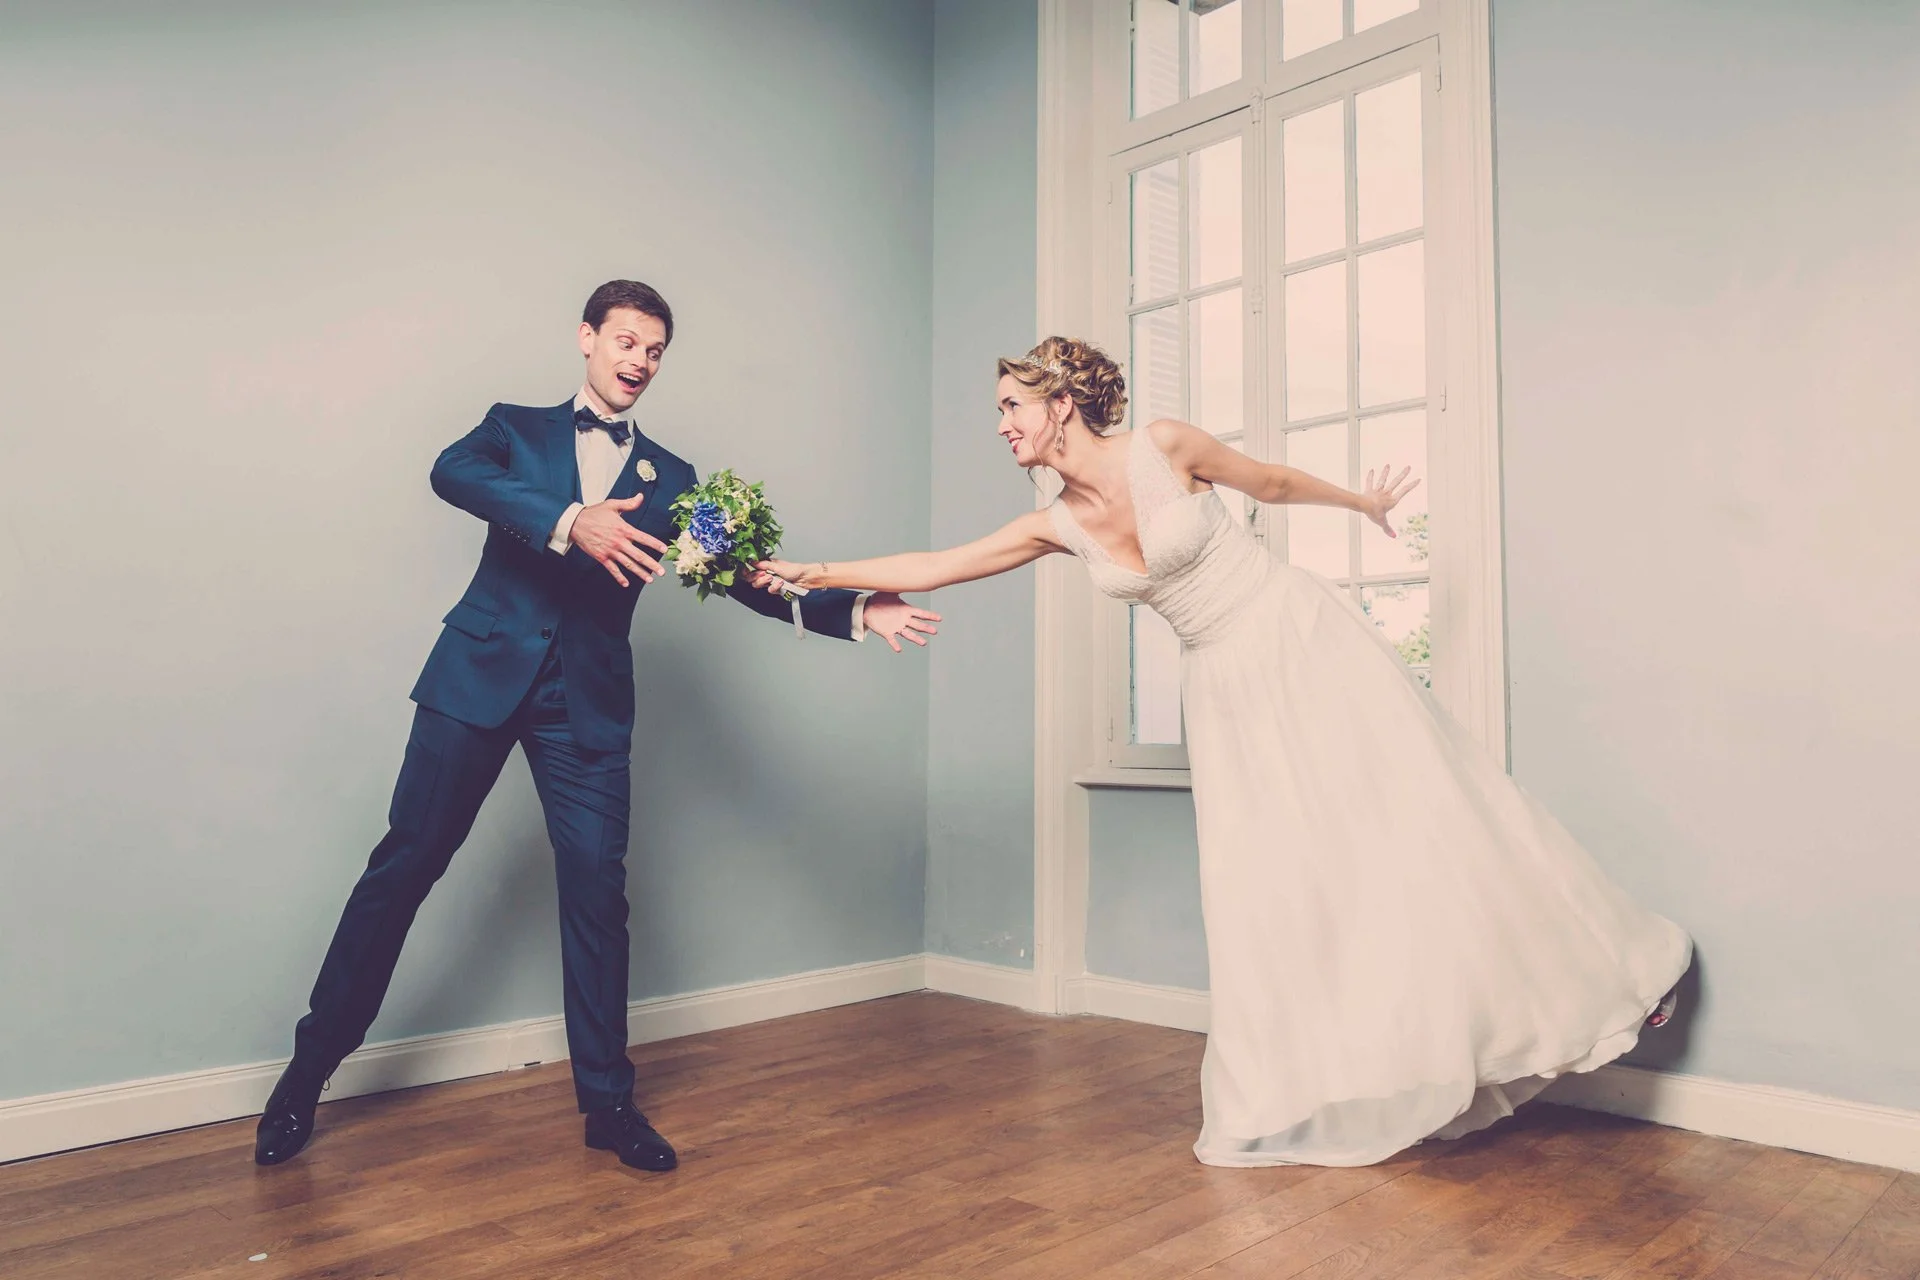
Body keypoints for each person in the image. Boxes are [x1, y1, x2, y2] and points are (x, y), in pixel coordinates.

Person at [756, 336, 1689, 1167]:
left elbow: (1269, 483)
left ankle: (1614, 975)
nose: (1000, 425)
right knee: (1280, 885)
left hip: (1296, 639)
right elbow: (938, 564)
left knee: (1413, 826)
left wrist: (1361, 501)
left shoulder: (1163, 446)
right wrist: (818, 572)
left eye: (1011, 405)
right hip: (1225, 689)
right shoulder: (1054, 523)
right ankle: (1354, 1073)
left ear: (1060, 403)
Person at [254, 280, 941, 1171]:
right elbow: (450, 472)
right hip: (476, 679)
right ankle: (305, 1077)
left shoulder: (675, 481)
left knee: (596, 895)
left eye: (654, 350)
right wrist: (571, 520)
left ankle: (610, 1107)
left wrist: (853, 611)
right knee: (405, 866)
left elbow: (742, 575)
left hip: (584, 705)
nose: (639, 361)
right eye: (625, 341)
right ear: (587, 338)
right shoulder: (513, 430)